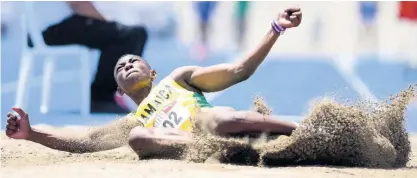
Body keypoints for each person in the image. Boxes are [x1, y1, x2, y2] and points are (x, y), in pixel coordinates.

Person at [6, 7, 302, 159]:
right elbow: (85, 143)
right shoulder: (135, 120)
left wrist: (276, 28)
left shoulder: (180, 78)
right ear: (120, 90)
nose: (127, 64)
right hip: (199, 146)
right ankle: (215, 149)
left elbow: (239, 70)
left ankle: (303, 131)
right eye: (120, 67)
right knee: (137, 138)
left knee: (216, 117)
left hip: (218, 124)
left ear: (153, 73)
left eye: (134, 61)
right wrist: (31, 134)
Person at [29, 1, 148, 113]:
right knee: (133, 35)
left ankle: (106, 95)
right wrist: (108, 23)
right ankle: (101, 98)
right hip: (55, 28)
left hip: (45, 29)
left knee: (127, 35)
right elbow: (79, 4)